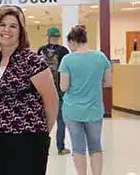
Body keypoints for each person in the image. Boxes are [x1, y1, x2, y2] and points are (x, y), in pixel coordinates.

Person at [0, 5, 59, 175]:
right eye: (2, 25)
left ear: (21, 32)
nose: (6, 30)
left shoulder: (32, 60)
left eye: (13, 26)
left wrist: (42, 133)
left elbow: (52, 101)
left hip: (29, 138)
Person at [58, 25, 112, 175]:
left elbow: (63, 87)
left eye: (69, 43)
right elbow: (108, 83)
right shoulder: (100, 57)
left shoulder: (67, 60)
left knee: (78, 147)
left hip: (72, 110)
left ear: (73, 41)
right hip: (94, 109)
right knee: (95, 146)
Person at [37, 26, 71, 155]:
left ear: (48, 37)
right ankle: (61, 147)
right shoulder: (64, 51)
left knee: (42, 120)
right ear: (58, 37)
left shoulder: (41, 50)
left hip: (42, 90)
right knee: (60, 120)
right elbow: (66, 72)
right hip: (59, 90)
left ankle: (41, 147)